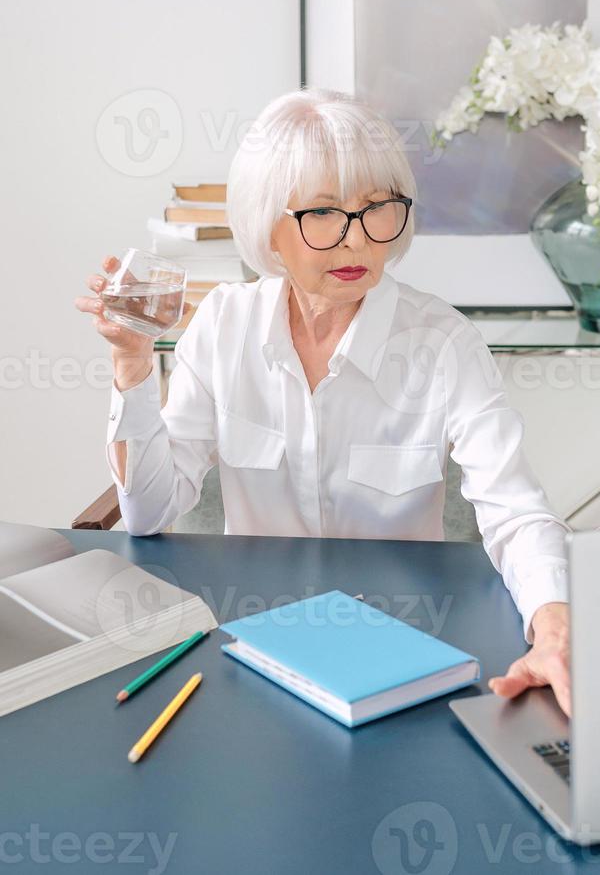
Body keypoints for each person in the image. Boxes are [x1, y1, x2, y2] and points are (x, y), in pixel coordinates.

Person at [75, 87, 571, 715]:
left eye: (377, 209)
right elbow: (147, 512)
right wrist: (132, 364)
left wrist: (554, 628)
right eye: (323, 215)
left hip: (405, 646)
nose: (356, 241)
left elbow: (517, 511)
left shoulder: (442, 341)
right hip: (253, 646)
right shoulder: (224, 325)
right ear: (268, 228)